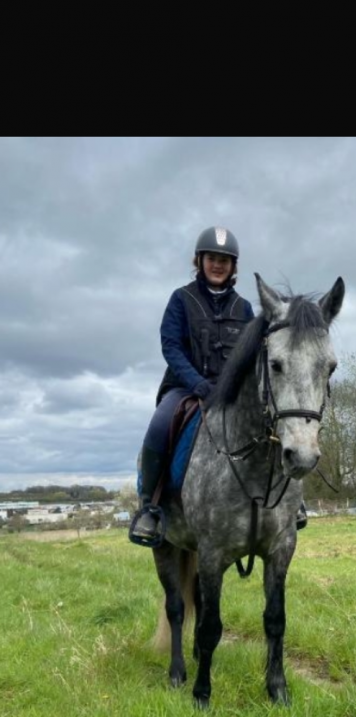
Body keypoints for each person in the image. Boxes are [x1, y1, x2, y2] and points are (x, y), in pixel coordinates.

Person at [130, 225, 307, 546]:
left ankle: (290, 499)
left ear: (233, 266)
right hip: (185, 388)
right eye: (211, 258)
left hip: (233, 392)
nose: (217, 264)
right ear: (199, 261)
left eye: (224, 260)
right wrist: (196, 383)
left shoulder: (243, 308)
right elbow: (171, 347)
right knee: (159, 425)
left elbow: (255, 354)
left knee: (272, 418)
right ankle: (150, 507)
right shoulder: (181, 299)